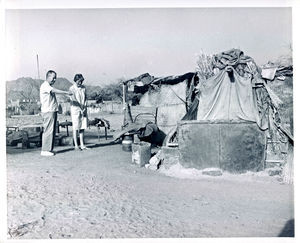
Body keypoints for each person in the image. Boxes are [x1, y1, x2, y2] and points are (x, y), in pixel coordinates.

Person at [40, 70, 72, 156]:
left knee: (52, 130)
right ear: (48, 77)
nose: (54, 80)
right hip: (48, 111)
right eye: (53, 78)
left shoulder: (48, 86)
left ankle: (49, 149)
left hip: (52, 111)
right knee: (48, 130)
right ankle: (45, 150)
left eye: (55, 78)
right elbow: (54, 90)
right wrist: (66, 93)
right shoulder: (45, 86)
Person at [69, 74, 89, 150]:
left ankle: (82, 144)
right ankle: (76, 145)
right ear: (75, 80)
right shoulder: (71, 88)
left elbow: (86, 98)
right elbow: (74, 99)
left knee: (82, 126)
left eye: (81, 81)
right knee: (76, 127)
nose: (80, 83)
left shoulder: (83, 88)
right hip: (75, 109)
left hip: (83, 109)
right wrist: (80, 108)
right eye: (78, 81)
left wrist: (84, 107)